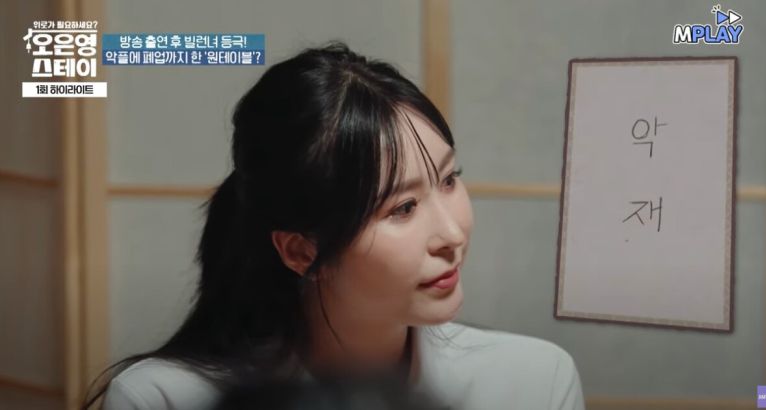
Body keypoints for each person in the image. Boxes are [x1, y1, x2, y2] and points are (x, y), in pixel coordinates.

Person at [83, 41, 585, 410]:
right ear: (301, 251)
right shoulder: (163, 398)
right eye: (402, 208)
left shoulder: (533, 381)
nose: (452, 235)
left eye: (449, 179)